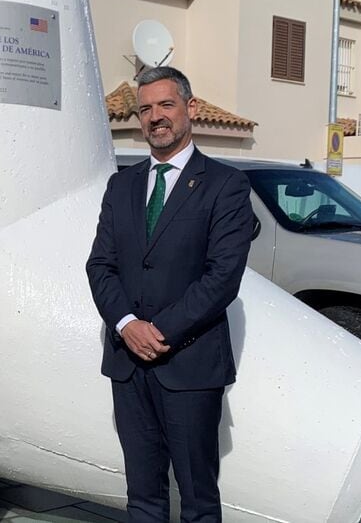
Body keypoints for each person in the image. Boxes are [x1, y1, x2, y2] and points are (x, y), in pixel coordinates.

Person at [86, 66, 254, 522]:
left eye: (166, 105)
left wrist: (158, 331)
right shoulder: (121, 185)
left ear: (190, 108)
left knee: (198, 499)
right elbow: (100, 265)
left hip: (189, 364)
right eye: (145, 109)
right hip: (127, 364)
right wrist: (126, 325)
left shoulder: (226, 185)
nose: (155, 117)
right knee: (142, 496)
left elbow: (222, 277)